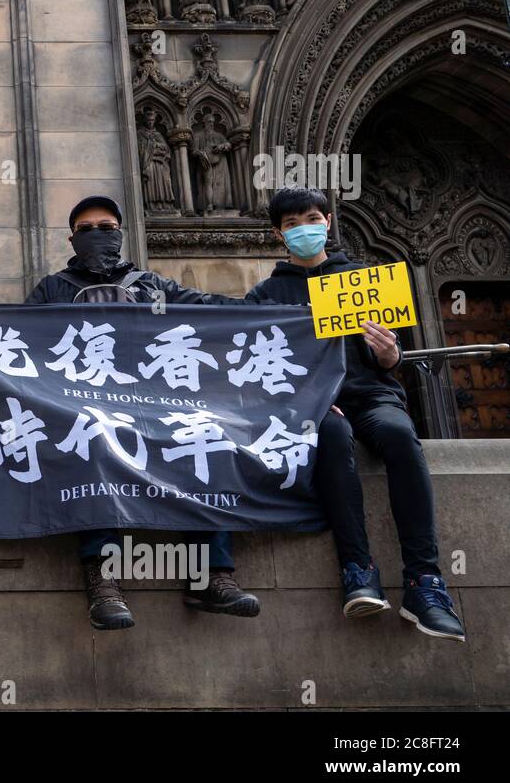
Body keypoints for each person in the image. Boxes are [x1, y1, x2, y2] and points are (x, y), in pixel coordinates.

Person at [26, 195, 260, 630]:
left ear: (121, 232)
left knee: (205, 436)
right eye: (87, 228)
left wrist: (281, 311)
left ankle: (210, 575)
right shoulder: (51, 289)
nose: (98, 234)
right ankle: (103, 580)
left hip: (155, 404)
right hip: (84, 404)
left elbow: (211, 309)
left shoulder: (153, 285)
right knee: (94, 437)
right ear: (71, 238)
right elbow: (15, 343)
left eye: (107, 226)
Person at [246, 187, 466, 642]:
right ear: (277, 233)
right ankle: (357, 569)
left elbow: (393, 358)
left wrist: (389, 354)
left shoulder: (365, 280)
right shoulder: (265, 296)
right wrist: (309, 400)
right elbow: (256, 373)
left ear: (327, 221)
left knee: (402, 439)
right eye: (291, 224)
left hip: (374, 397)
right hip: (315, 408)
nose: (302, 229)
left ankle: (425, 585)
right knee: (331, 435)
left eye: (310, 218)